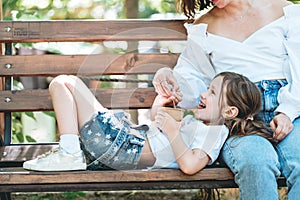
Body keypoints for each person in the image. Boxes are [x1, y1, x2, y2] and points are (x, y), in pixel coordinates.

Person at [153, 0, 300, 199]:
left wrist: (287, 112)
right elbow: (190, 82)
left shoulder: (284, 10)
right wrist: (167, 76)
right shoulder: (203, 27)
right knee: (255, 162)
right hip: (237, 121)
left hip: (290, 110)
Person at [23, 72, 266, 175]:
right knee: (65, 82)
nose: (203, 94)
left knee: (64, 83)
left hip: (122, 146)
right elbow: (156, 126)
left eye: (212, 92)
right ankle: (70, 151)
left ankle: (69, 152)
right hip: (123, 142)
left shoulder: (215, 133)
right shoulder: (199, 124)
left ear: (230, 111)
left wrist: (173, 131)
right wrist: (162, 104)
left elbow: (190, 165)